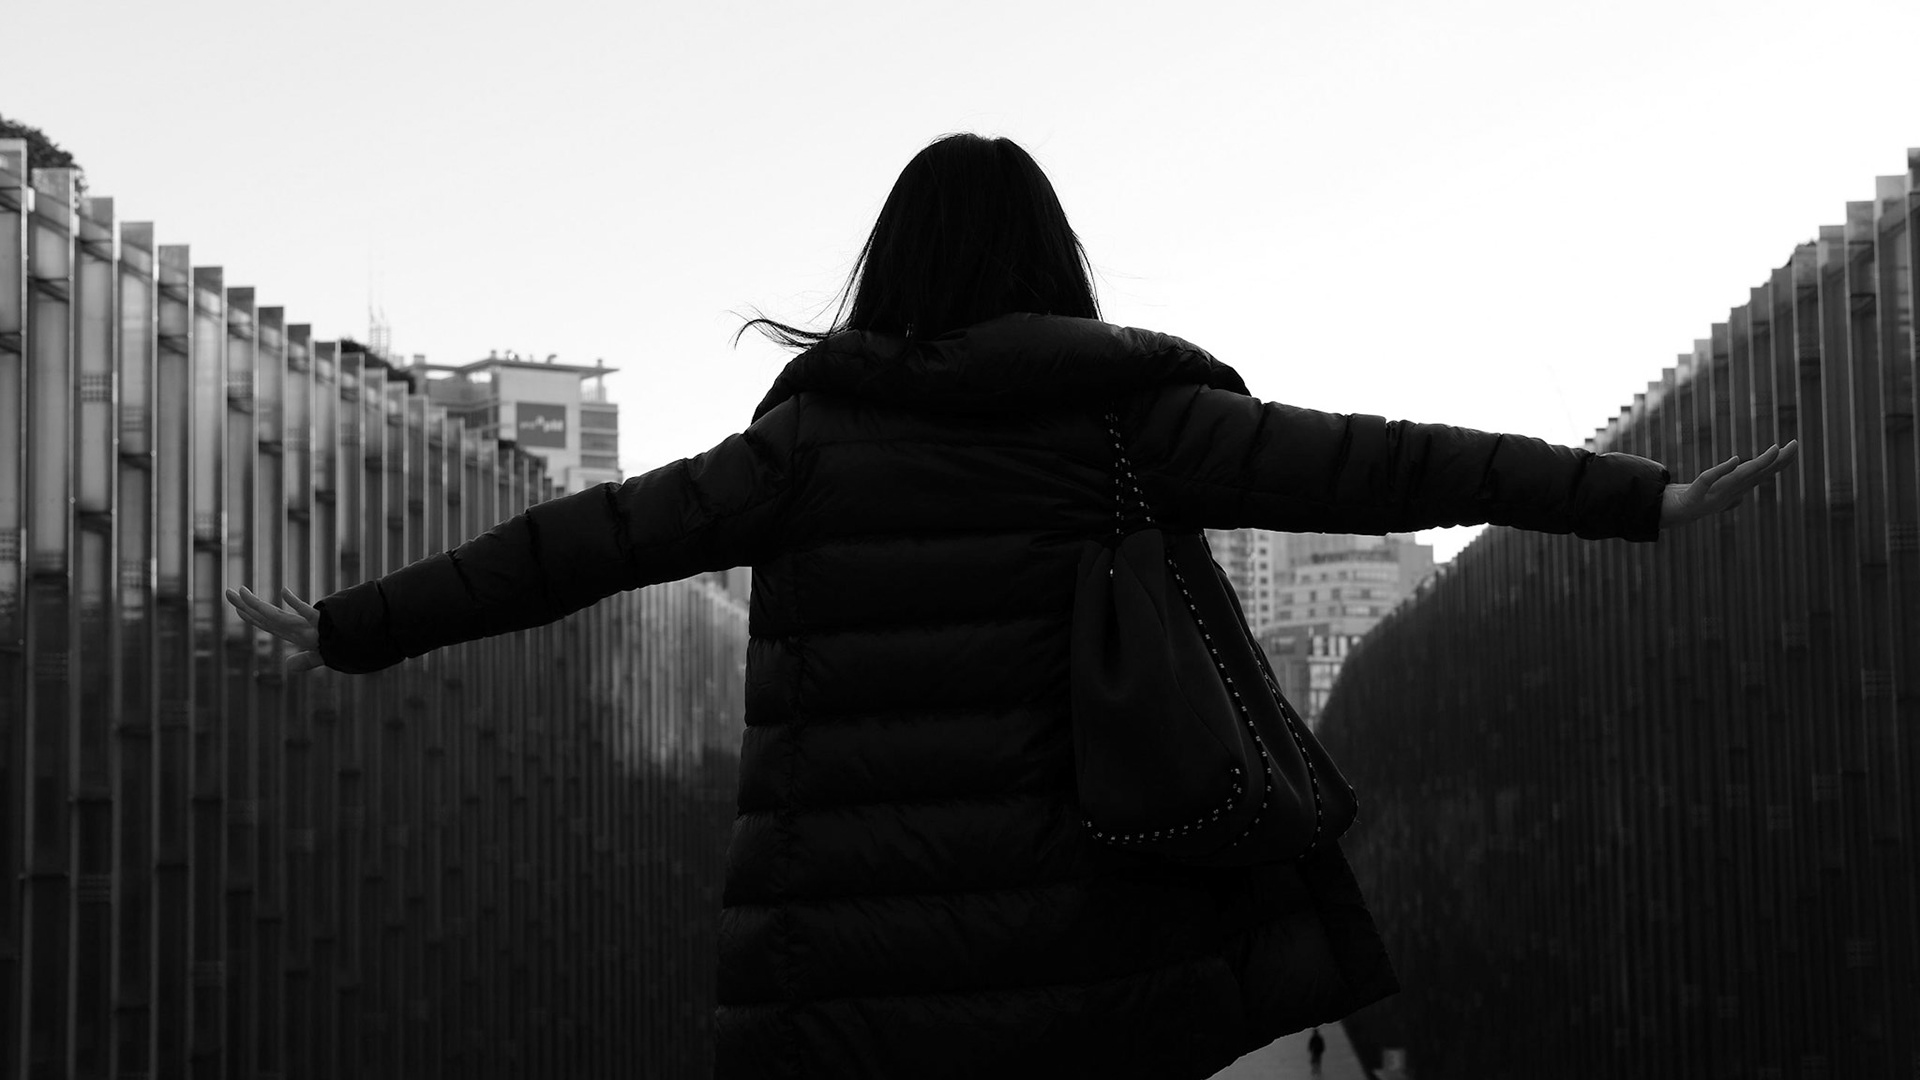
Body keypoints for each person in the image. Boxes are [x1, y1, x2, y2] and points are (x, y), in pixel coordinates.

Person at [227, 133, 1797, 1080]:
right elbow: (1382, 465)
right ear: (1055, 261)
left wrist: (359, 625)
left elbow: (581, 543)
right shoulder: (1129, 421)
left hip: (850, 980)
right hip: (1096, 957)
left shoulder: (807, 447)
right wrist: (1637, 499)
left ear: (889, 268)